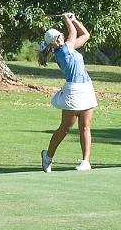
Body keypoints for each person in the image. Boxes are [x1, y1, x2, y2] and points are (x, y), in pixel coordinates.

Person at [38, 12, 98, 172]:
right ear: (53, 44)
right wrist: (66, 19)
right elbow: (73, 33)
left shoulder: (68, 47)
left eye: (59, 36)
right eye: (56, 39)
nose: (59, 38)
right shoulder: (63, 51)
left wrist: (74, 20)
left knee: (85, 126)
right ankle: (48, 156)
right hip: (74, 91)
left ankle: (86, 161)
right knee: (65, 128)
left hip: (86, 87)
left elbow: (85, 35)